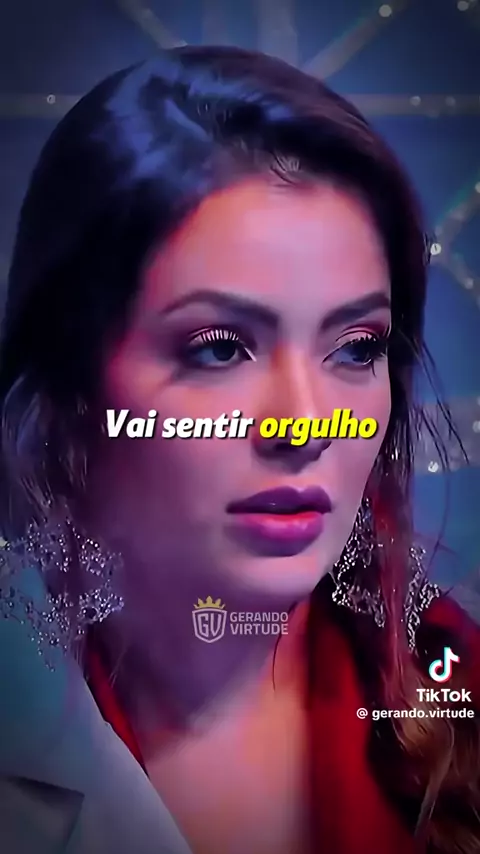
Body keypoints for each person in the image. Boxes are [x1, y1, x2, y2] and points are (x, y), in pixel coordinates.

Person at [0, 45, 479, 854]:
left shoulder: (458, 686)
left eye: (356, 348)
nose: (308, 424)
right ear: (72, 391)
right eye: (220, 348)